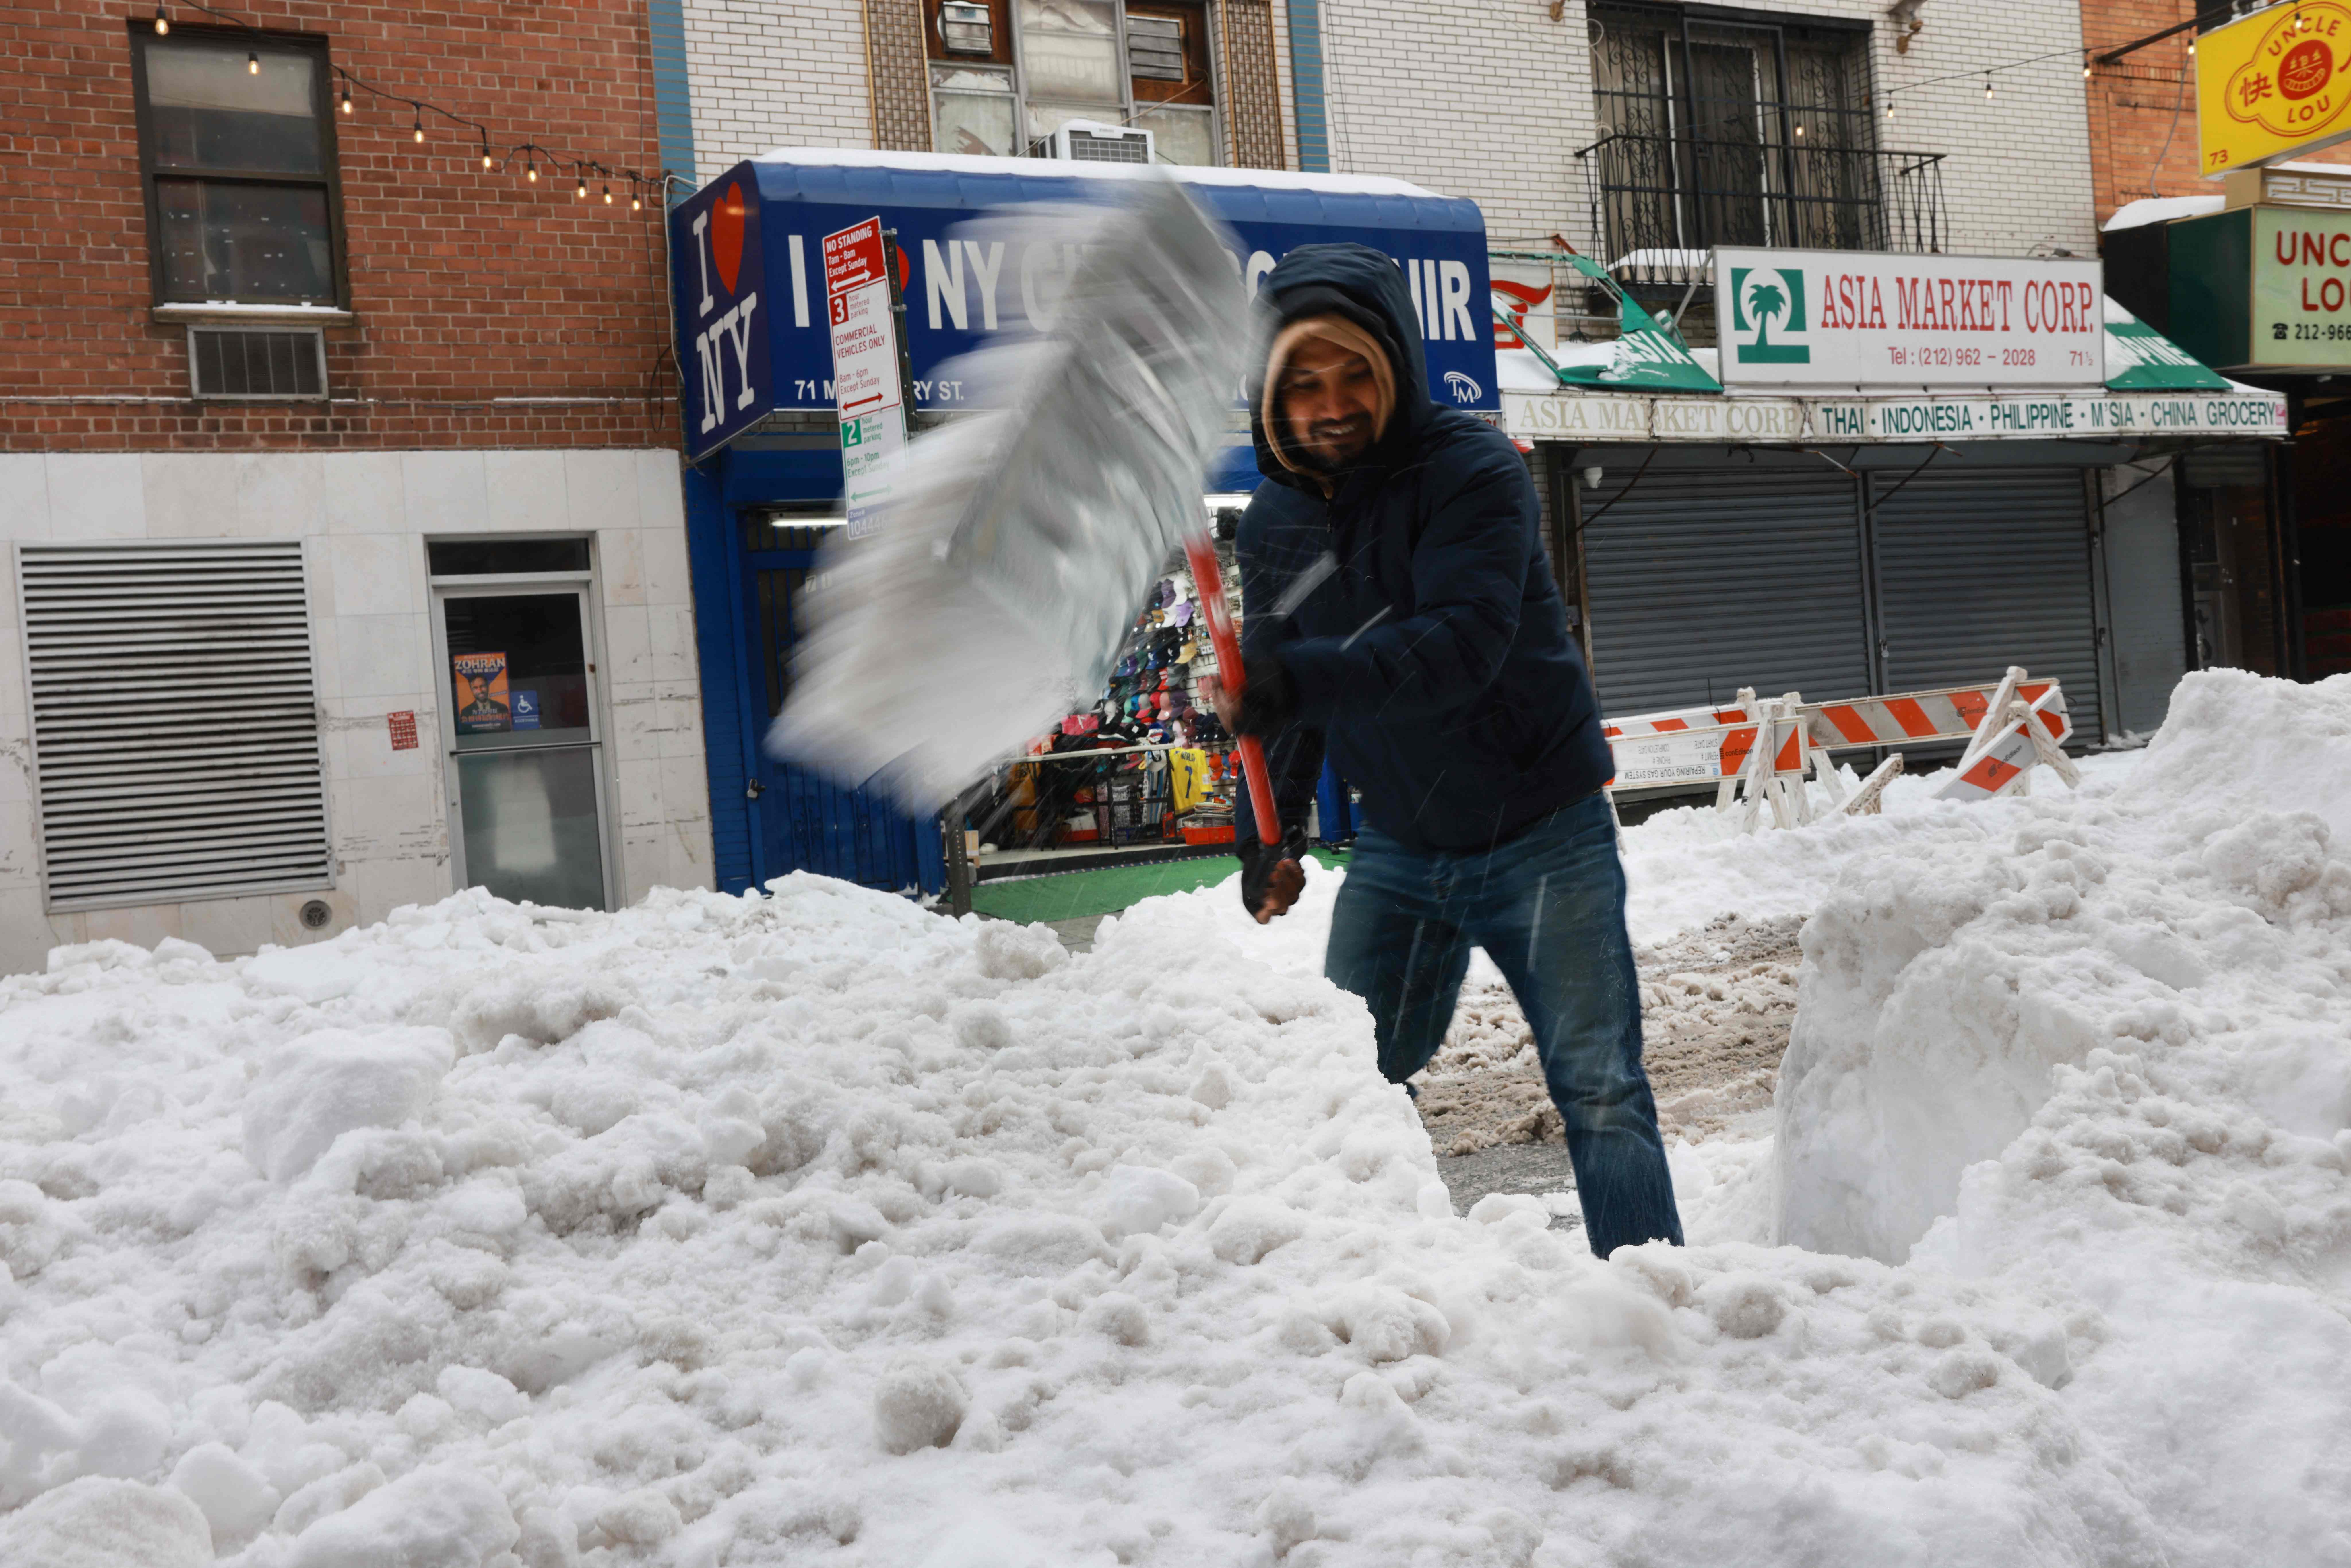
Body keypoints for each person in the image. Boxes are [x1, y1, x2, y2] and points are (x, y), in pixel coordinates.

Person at [1211, 242, 1682, 1257]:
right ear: (1272, 392)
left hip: (1543, 833)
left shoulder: (1472, 471)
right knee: (1350, 1086)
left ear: (1395, 366)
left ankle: (1655, 1305)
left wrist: (1299, 682)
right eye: (1303, 382)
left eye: (1353, 374)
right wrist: (1267, 835)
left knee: (1600, 1090)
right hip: (1403, 846)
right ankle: (1393, 1308)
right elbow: (1279, 699)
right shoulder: (1278, 520)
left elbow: (1459, 644)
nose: (1330, 404)